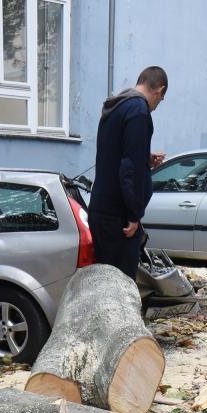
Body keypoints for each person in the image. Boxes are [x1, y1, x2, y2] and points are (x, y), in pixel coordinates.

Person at [88, 66, 168, 277]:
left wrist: (145, 158)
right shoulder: (138, 111)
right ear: (159, 91)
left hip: (102, 208)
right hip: (118, 217)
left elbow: (116, 155)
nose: (156, 107)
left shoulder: (117, 106)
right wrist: (133, 215)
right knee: (120, 287)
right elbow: (128, 169)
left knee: (105, 281)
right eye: (160, 101)